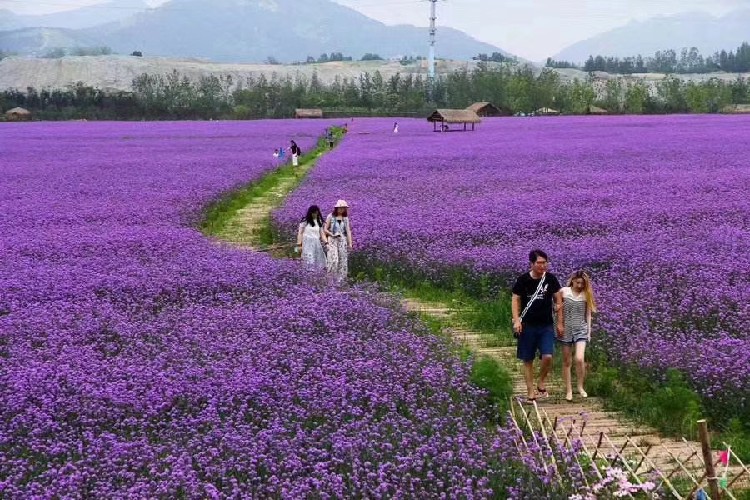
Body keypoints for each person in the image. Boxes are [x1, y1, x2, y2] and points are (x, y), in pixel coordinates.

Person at [511, 249, 564, 403]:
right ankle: (530, 391)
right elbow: (515, 300)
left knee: (548, 356)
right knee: (527, 359)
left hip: (546, 325)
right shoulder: (523, 280)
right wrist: (516, 320)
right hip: (527, 325)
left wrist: (560, 322)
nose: (542, 266)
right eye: (539, 263)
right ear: (532, 264)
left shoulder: (551, 279)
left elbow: (559, 300)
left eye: (544, 262)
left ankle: (541, 382)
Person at [559, 270, 597, 401]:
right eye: (578, 282)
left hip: (581, 329)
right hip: (566, 329)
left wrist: (589, 332)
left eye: (582, 283)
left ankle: (580, 386)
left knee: (579, 359)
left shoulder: (586, 295)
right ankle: (569, 390)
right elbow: (557, 308)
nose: (580, 285)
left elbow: (588, 314)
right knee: (567, 361)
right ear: (573, 280)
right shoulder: (564, 291)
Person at [324, 199, 353, 281]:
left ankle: (340, 281)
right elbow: (325, 229)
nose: (342, 210)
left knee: (342, 260)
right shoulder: (330, 216)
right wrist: (332, 234)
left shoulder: (345, 218)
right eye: (340, 208)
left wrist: (350, 243)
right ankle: (330, 279)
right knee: (334, 259)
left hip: (342, 240)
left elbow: (348, 231)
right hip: (332, 240)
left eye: (343, 208)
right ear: (336, 208)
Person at [296, 205, 327, 270]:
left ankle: (315, 276)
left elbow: (322, 234)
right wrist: (299, 244)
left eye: (316, 213)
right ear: (310, 213)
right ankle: (309, 274)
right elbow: (300, 233)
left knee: (317, 261)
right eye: (314, 213)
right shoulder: (305, 221)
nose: (315, 214)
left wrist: (326, 243)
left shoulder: (319, 222)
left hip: (316, 244)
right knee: (309, 260)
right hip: (307, 244)